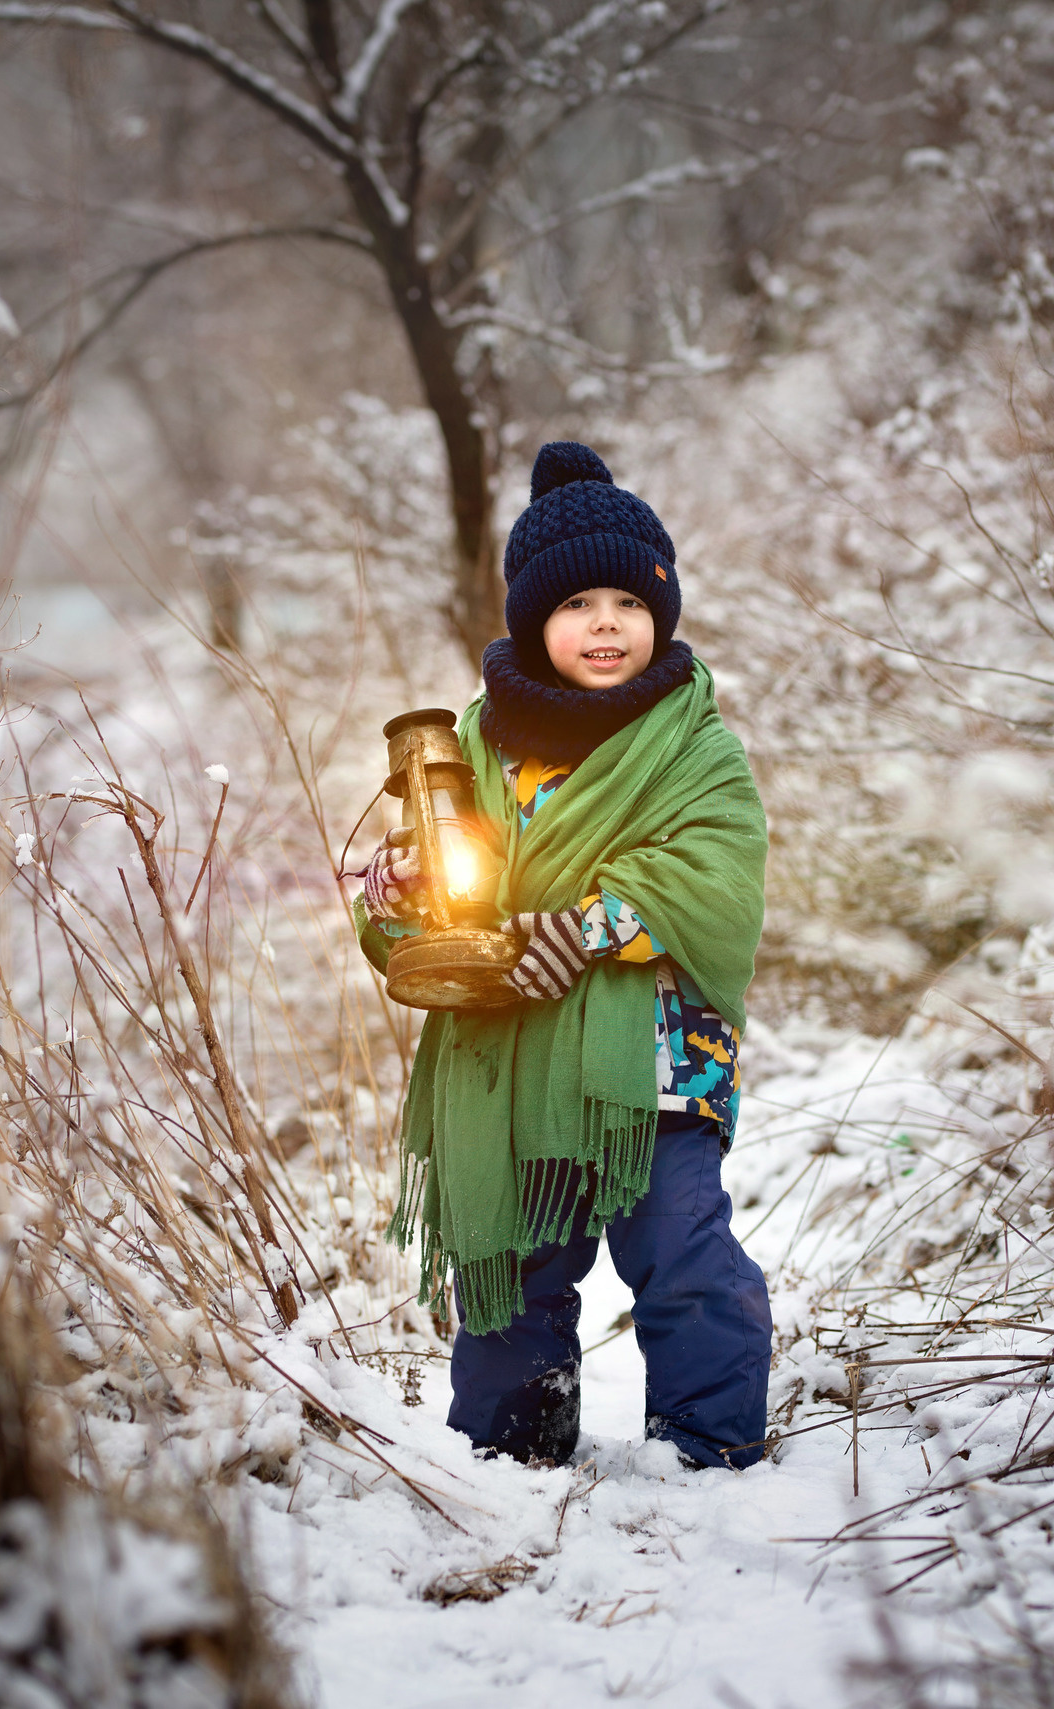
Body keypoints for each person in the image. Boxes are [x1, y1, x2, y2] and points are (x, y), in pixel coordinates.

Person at [350, 441, 773, 1471]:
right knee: (514, 1267)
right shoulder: (469, 745)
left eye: (628, 603)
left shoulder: (690, 740)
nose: (605, 624)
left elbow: (717, 872)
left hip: (657, 1063)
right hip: (512, 1054)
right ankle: (508, 1458)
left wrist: (587, 926)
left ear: (659, 615)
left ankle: (710, 1450)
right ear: (534, 619)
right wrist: (398, 891)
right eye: (577, 602)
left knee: (682, 1248)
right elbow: (436, 906)